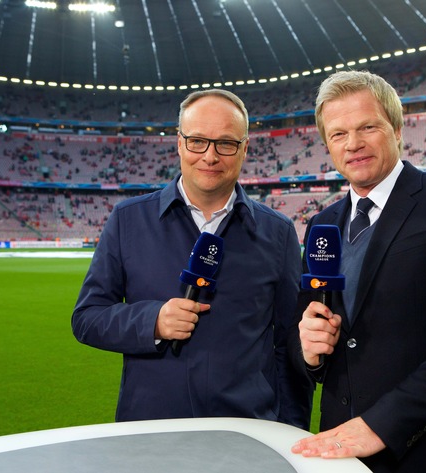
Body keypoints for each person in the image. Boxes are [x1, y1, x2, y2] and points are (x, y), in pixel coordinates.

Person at [290, 70, 426, 472]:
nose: (353, 144)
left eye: (367, 127)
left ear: (395, 127)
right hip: (342, 446)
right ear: (327, 145)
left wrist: (383, 423)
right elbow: (313, 330)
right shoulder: (322, 224)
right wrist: (310, 350)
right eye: (338, 135)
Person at [72, 89, 312, 429]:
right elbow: (87, 318)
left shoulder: (279, 232)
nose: (210, 157)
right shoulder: (128, 219)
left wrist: (292, 432)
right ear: (180, 143)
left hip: (246, 434)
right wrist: (152, 320)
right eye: (198, 140)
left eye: (226, 143)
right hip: (150, 432)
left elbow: (289, 345)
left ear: (245, 148)